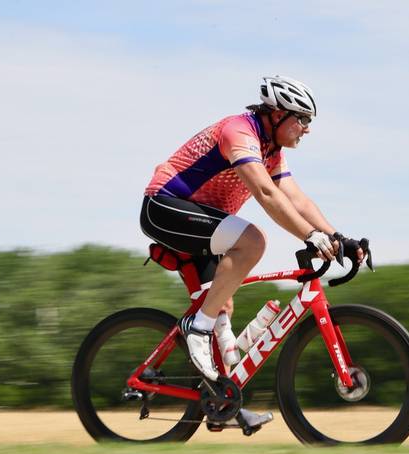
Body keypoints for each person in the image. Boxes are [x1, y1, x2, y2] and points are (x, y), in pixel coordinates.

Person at [141, 75, 364, 428]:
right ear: (277, 114)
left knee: (222, 314)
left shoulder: (270, 150)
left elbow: (297, 199)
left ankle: (221, 405)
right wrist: (310, 236)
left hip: (201, 221)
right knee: (252, 242)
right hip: (165, 207)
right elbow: (266, 195)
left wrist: (336, 236)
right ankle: (195, 329)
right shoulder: (239, 132)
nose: (306, 129)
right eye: (302, 119)